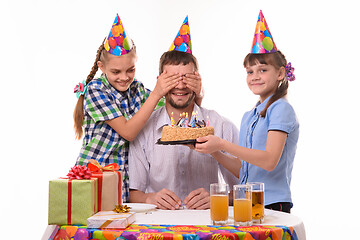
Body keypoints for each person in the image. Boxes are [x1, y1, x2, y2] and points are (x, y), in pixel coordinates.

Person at [73, 14, 200, 202]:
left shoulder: (138, 91)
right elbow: (128, 132)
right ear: (102, 67)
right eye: (116, 71)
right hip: (94, 178)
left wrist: (194, 90)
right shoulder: (96, 90)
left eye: (130, 70)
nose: (124, 77)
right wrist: (157, 92)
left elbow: (174, 109)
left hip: (122, 182)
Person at [128, 16, 238, 210]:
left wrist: (218, 197)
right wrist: (149, 198)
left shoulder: (221, 126)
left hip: (208, 226)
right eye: (171, 79)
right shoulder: (144, 129)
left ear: (198, 80)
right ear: (160, 81)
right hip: (158, 225)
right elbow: (133, 192)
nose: (179, 85)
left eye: (187, 78)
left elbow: (244, 187)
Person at [194, 11, 299, 213]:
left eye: (262, 70)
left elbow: (269, 161)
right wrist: (214, 150)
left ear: (280, 73)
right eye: (250, 72)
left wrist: (223, 143)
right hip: (247, 202)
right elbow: (243, 170)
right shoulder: (249, 116)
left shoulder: (281, 109)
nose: (255, 76)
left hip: (273, 204)